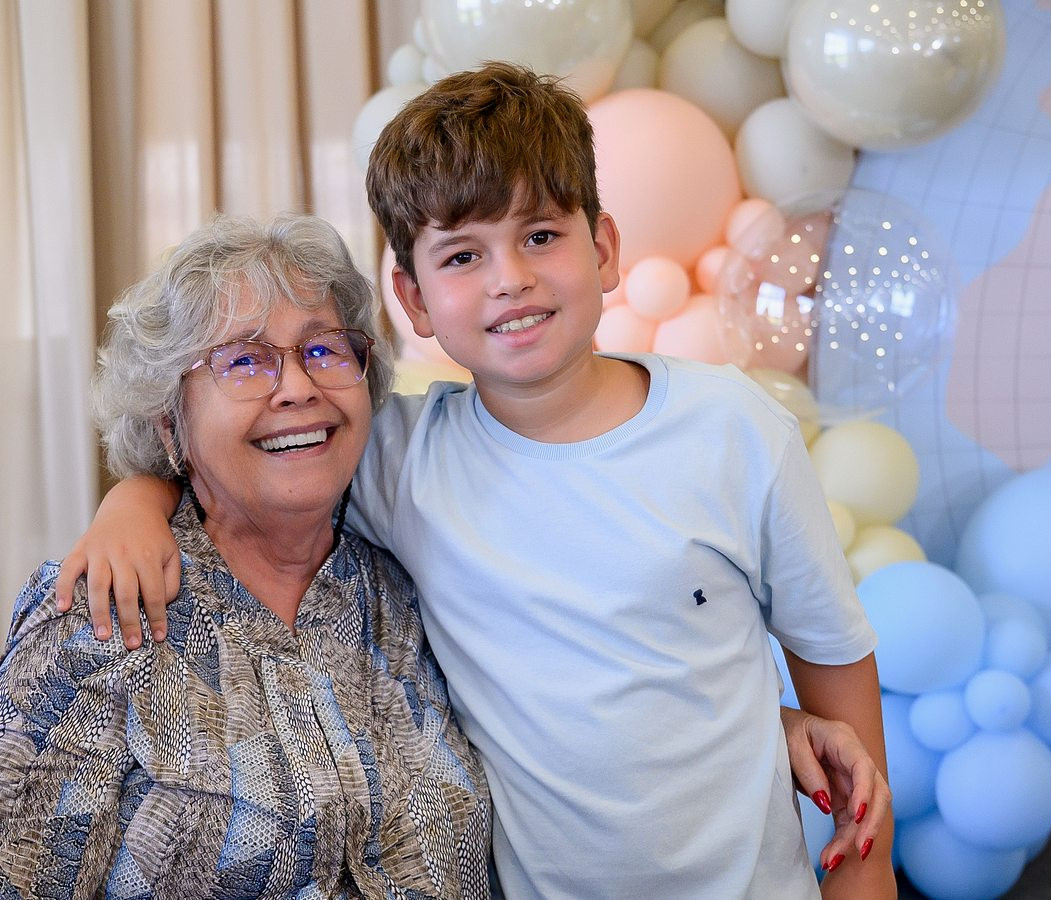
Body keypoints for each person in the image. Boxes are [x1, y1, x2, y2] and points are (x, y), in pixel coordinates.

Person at [56, 64, 897, 899]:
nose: (509, 279)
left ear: (603, 249)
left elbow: (850, 746)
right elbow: (252, 459)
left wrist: (802, 763)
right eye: (463, 255)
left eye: (541, 236)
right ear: (414, 300)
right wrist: (134, 502)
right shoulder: (400, 457)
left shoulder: (736, 430)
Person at [0, 214, 493, 898]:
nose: (298, 387)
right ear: (172, 425)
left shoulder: (403, 590)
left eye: (324, 350)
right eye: (243, 361)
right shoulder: (101, 610)